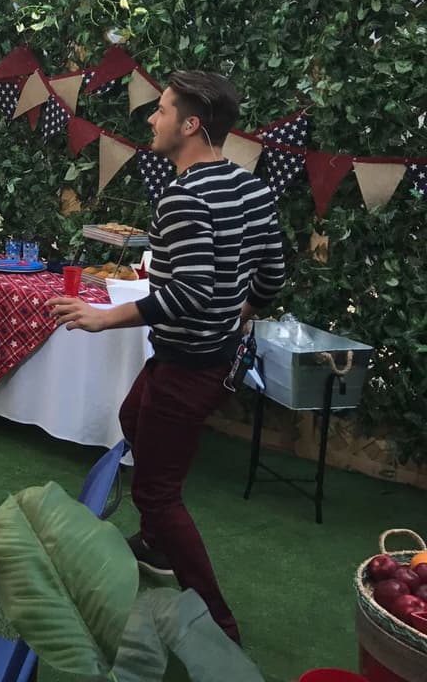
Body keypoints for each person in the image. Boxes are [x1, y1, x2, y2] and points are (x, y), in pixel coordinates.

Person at [45, 70, 285, 644]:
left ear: (191, 124)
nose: (152, 119)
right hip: (211, 358)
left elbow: (189, 292)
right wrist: (237, 314)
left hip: (189, 367)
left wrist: (103, 318)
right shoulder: (253, 188)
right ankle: (154, 543)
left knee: (158, 490)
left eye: (163, 110)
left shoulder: (183, 195)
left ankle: (219, 623)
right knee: (133, 417)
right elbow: (272, 277)